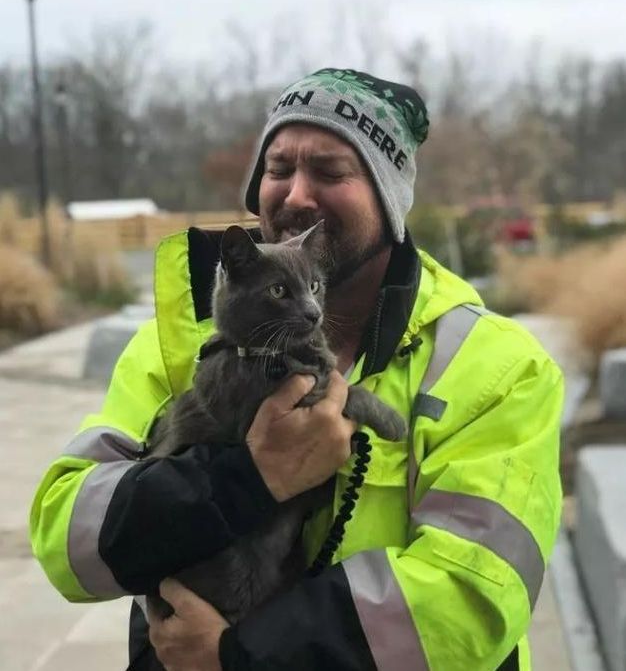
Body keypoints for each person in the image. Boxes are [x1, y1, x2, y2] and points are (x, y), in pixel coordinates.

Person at [30, 68, 564, 671]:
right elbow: (66, 537)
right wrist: (242, 479)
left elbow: (475, 599)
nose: (296, 195)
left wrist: (241, 657)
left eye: (331, 172)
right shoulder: (177, 342)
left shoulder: (498, 366)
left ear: (390, 201)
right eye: (278, 169)